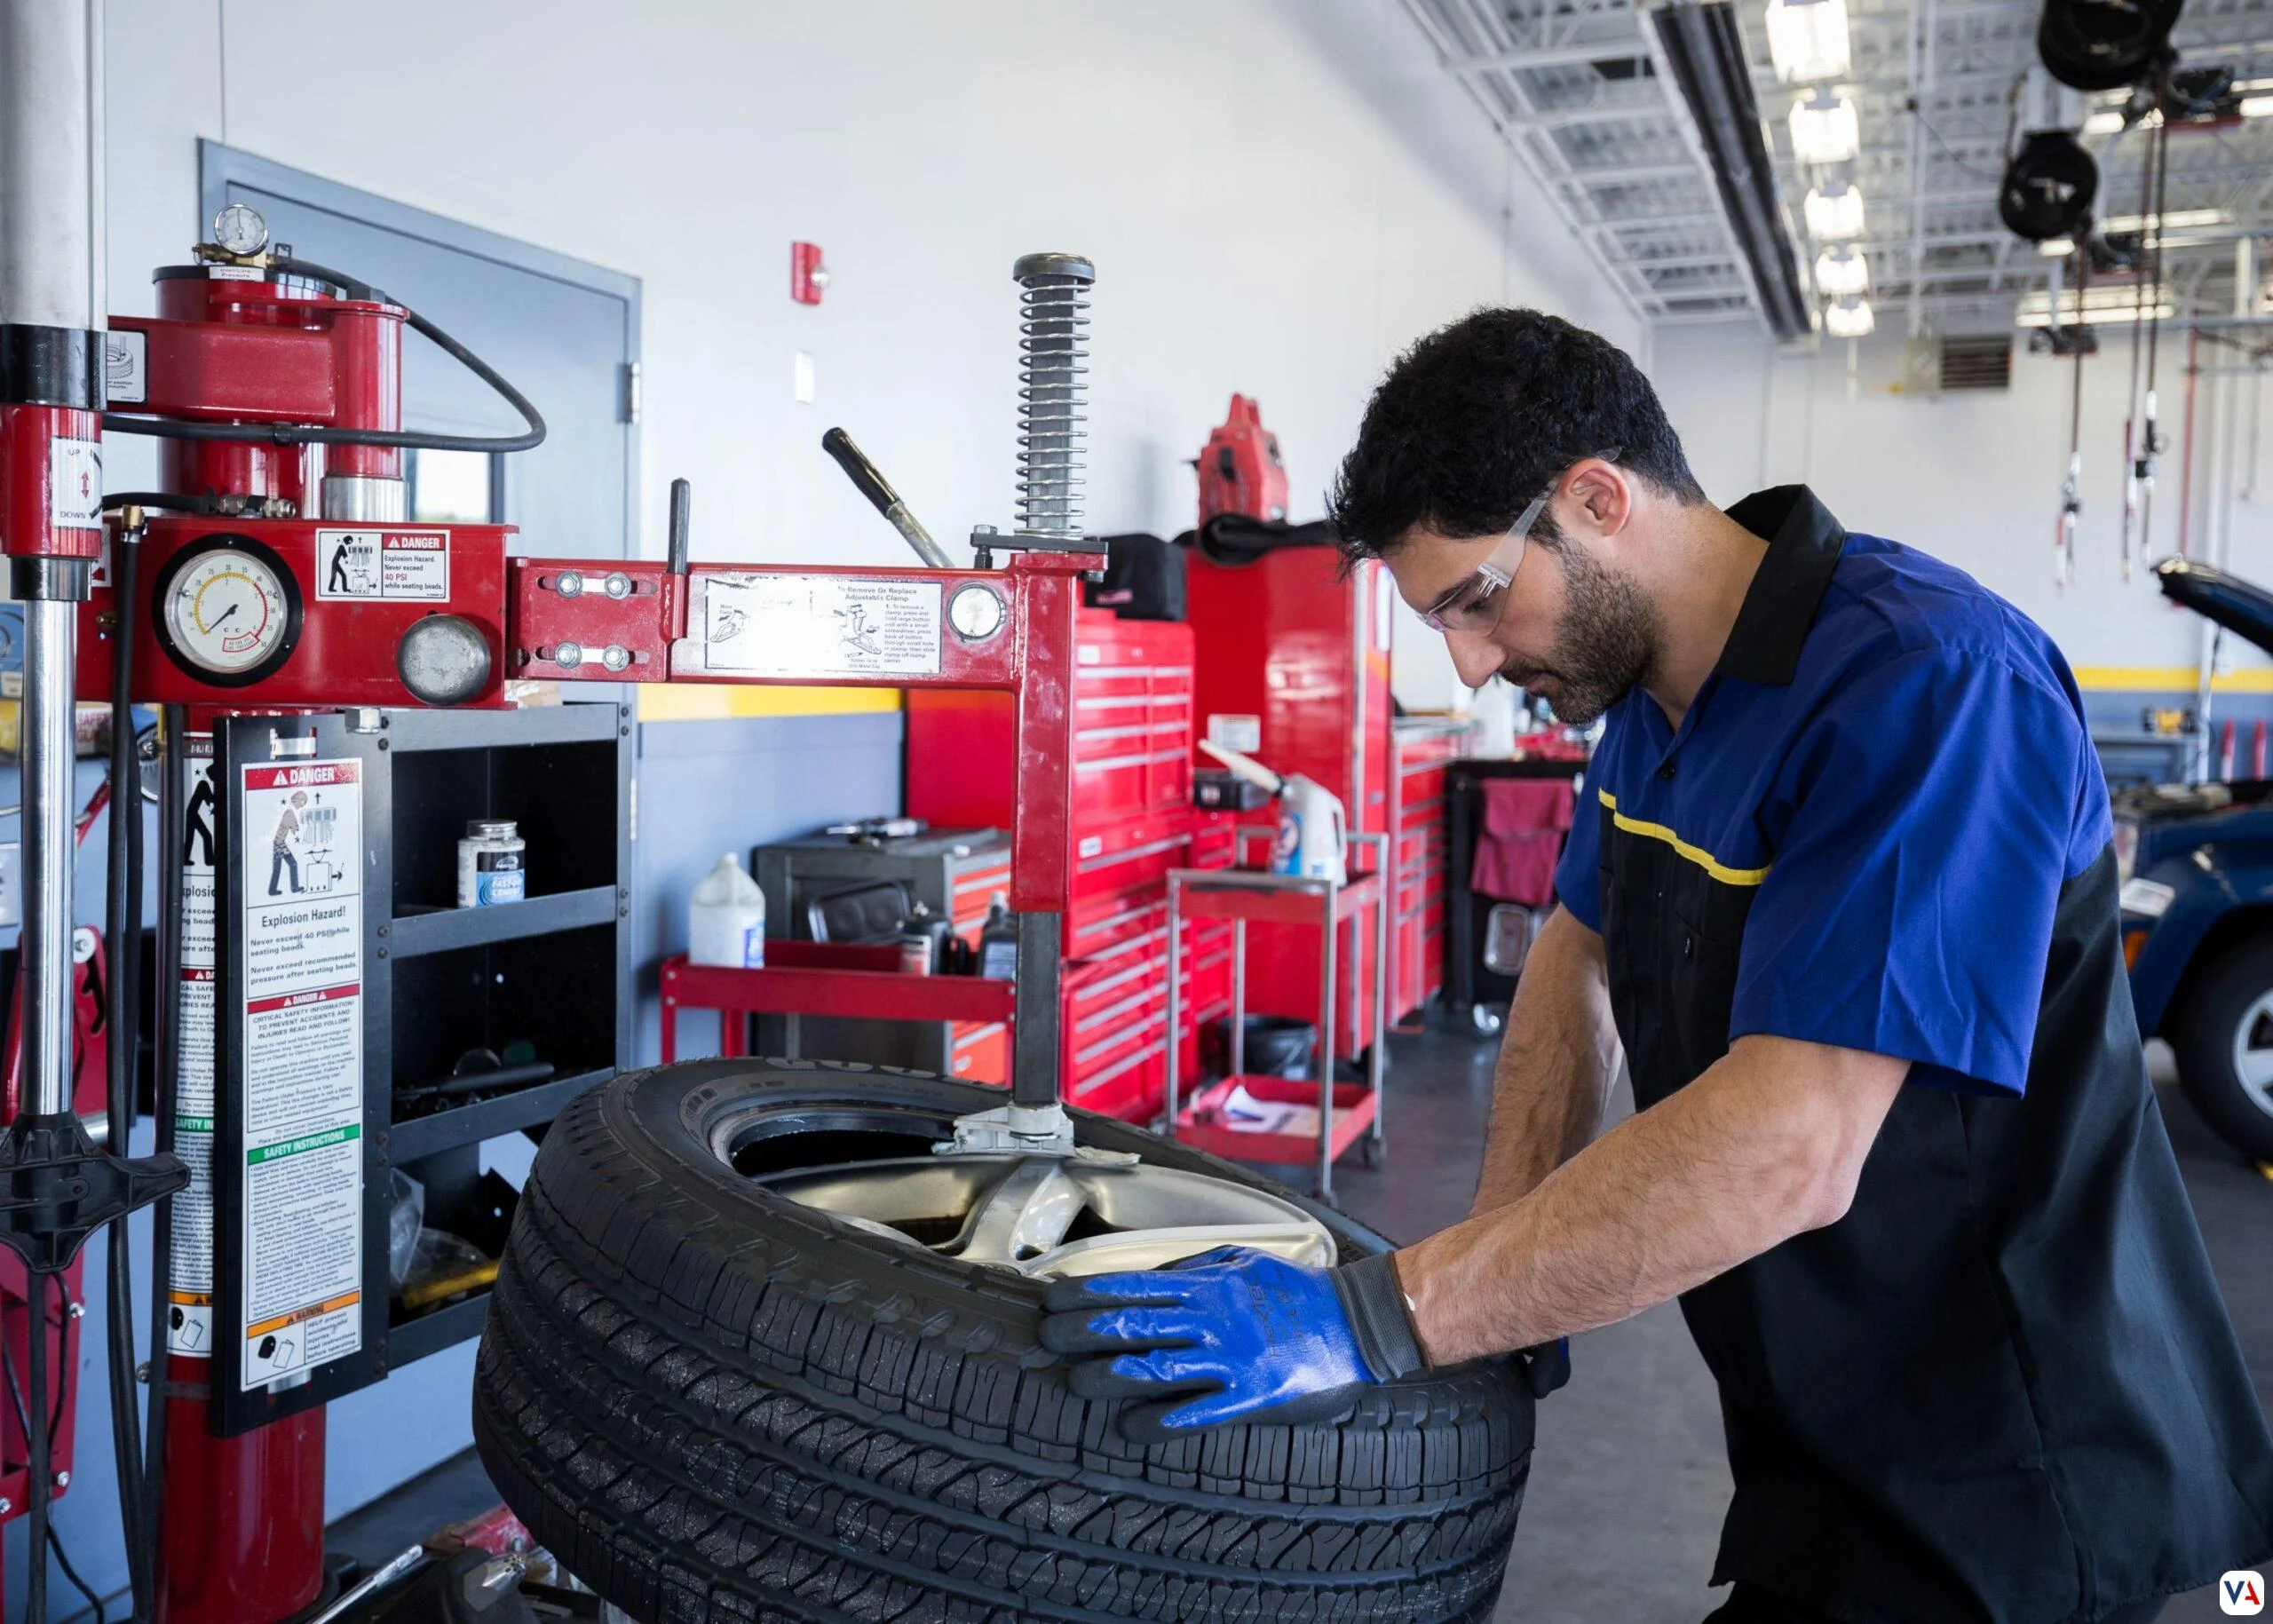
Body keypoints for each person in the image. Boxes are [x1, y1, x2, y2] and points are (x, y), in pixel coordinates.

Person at [1042, 310, 2273, 1622]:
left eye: (1476, 599)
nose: (1470, 663)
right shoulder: (1648, 705)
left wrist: (1386, 1313)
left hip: (2014, 1472)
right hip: (1820, 1447)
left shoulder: (1931, 686)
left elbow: (1793, 1143)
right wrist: (1496, 1258)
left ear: (1597, 499)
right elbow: (1573, 960)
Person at [268, 789, 306, 896]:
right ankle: (275, 890)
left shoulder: (291, 811)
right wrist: (294, 826)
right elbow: (289, 825)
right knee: (282, 867)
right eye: (301, 802)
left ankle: (293, 888)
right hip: (279, 843)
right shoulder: (289, 811)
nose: (301, 806)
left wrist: (295, 826)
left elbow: (294, 826)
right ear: (297, 800)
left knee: (291, 865)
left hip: (280, 843)